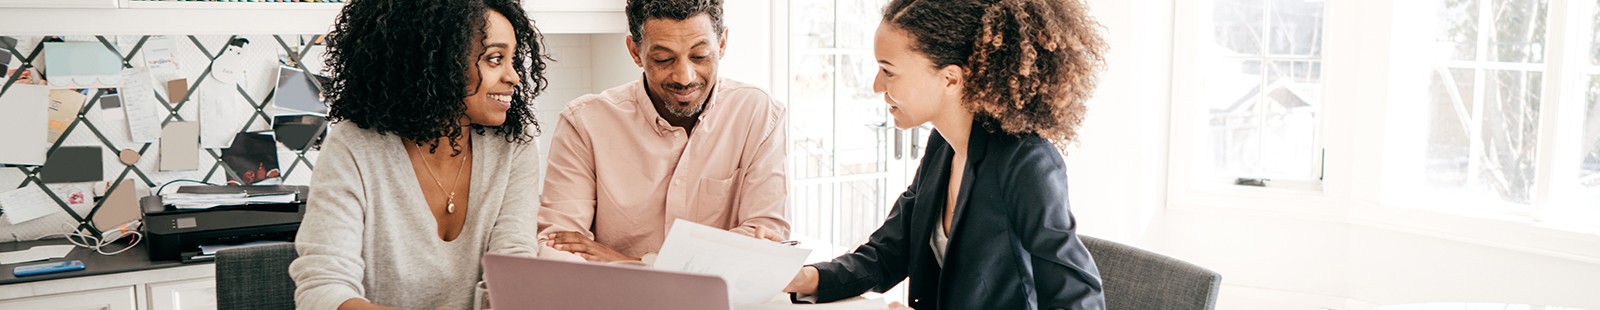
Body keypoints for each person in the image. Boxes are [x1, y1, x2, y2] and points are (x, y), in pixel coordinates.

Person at [781, 0, 1109, 308]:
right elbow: (888, 254)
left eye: (888, 70)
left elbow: (1079, 301)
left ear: (950, 78)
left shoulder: (1025, 162)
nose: (876, 85)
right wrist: (805, 277)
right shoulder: (943, 146)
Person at [288, 0, 551, 309]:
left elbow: (513, 274)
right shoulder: (354, 147)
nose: (514, 77)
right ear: (438, 62)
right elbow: (323, 289)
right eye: (495, 59)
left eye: (511, 60)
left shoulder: (513, 145)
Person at [538, 0, 790, 262]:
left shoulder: (759, 114)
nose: (684, 77)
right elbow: (558, 247)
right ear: (635, 52)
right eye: (664, 59)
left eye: (700, 56)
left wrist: (629, 263)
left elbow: (765, 242)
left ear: (722, 43)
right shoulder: (583, 123)